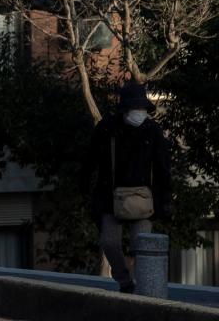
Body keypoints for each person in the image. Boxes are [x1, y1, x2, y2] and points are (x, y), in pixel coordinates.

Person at [81, 80, 171, 293]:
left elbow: (163, 168)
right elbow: (90, 161)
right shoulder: (107, 128)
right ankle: (124, 281)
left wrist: (164, 200)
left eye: (141, 108)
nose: (138, 112)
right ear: (125, 108)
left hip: (142, 199)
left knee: (143, 245)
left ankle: (144, 287)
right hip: (110, 197)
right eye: (135, 108)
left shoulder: (152, 130)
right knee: (109, 242)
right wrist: (86, 191)